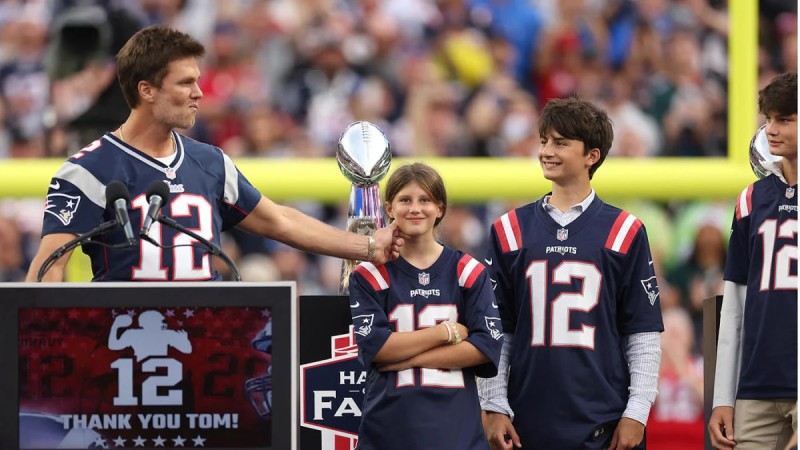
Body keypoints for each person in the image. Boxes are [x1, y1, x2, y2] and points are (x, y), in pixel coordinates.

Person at [24, 25, 402, 282]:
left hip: (207, 345)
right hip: (122, 349)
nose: (199, 93)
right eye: (185, 82)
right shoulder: (88, 170)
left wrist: (368, 246)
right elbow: (47, 271)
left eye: (198, 81)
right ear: (147, 90)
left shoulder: (211, 162)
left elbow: (281, 222)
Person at [478, 97, 663, 450]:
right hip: (525, 420)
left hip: (602, 421)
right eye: (544, 140)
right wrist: (493, 404)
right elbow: (497, 329)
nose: (547, 150)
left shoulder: (625, 230)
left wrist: (637, 412)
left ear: (592, 155)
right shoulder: (509, 229)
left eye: (561, 143)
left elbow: (642, 331)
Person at [348, 162, 503, 450]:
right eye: (405, 200)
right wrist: (445, 333)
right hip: (389, 431)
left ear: (441, 208)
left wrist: (408, 359)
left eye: (425, 200)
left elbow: (485, 348)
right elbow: (378, 348)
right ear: (389, 208)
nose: (415, 208)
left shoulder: (469, 272)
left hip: (456, 432)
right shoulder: (369, 275)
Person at [708, 72, 798, 450]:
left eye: (784, 119)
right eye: (768, 119)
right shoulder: (751, 199)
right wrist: (722, 397)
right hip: (756, 384)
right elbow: (734, 306)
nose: (771, 129)